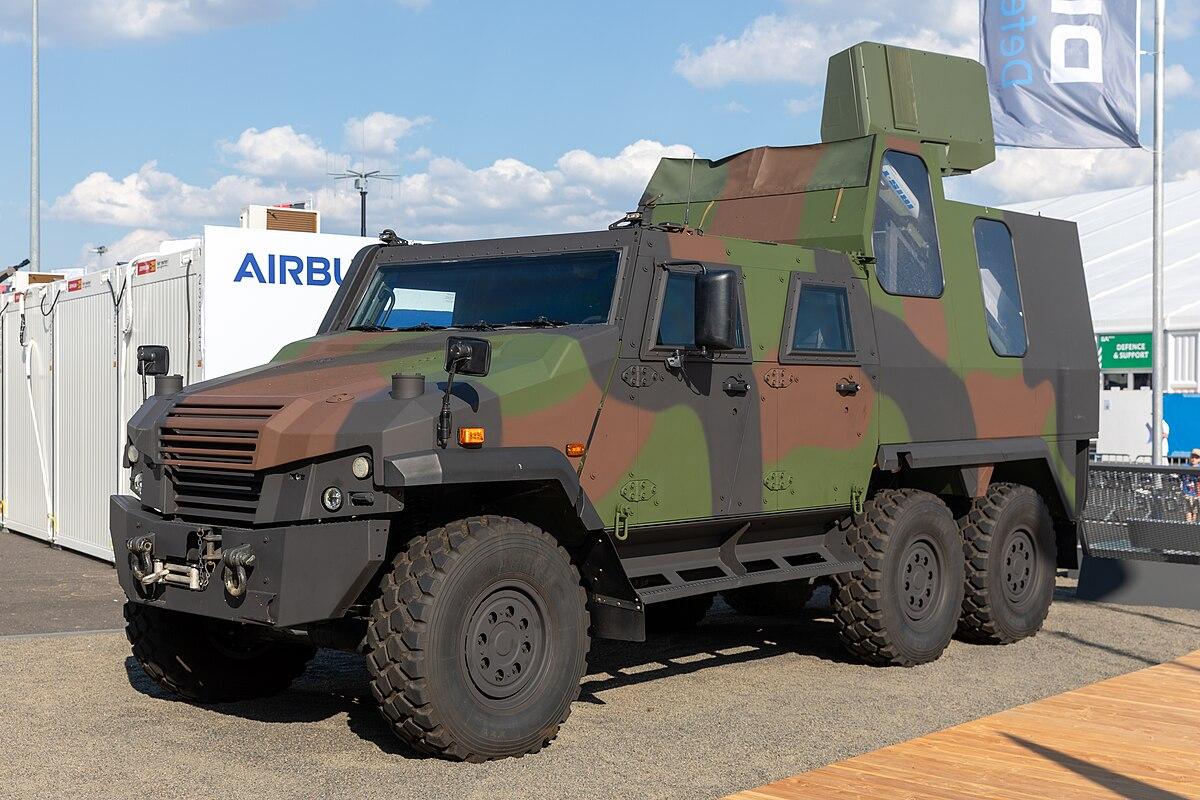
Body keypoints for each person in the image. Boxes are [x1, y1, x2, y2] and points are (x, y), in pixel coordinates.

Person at [1183, 449, 1200, 523]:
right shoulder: (1185, 466)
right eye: (1192, 457)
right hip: (1187, 492)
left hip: (1196, 494)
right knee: (1188, 511)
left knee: (1195, 511)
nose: (1194, 459)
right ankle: (1189, 524)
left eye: (1196, 457)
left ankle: (1193, 524)